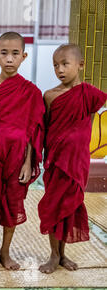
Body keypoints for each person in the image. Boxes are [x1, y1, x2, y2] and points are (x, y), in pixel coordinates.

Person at [0, 32, 45, 270]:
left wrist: (28, 162)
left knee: (13, 202)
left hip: (18, 156)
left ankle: (6, 252)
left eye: (15, 53)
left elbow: (32, 130)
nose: (9, 58)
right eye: (4, 53)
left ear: (23, 56)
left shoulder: (31, 91)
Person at [38, 44, 106, 274]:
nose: (60, 69)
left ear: (80, 64)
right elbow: (44, 128)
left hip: (77, 163)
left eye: (65, 64)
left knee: (69, 207)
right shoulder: (49, 96)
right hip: (56, 162)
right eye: (55, 65)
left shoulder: (90, 93)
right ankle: (53, 254)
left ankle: (63, 254)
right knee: (53, 207)